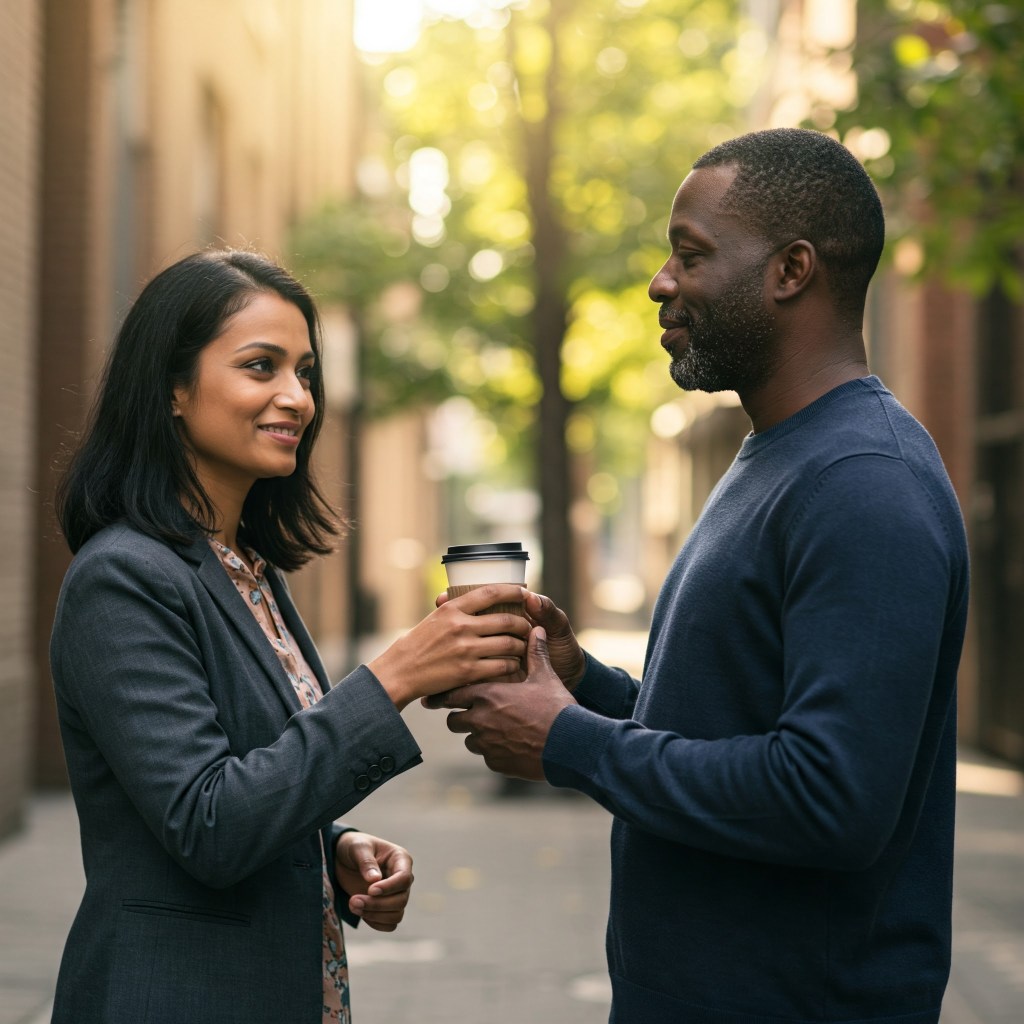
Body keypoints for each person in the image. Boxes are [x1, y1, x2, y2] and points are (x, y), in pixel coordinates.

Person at [430, 128, 970, 1023]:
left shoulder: (866, 485)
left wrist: (568, 744)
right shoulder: (780, 456)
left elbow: (829, 797)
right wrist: (583, 687)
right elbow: (735, 725)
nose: (661, 281)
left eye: (692, 254)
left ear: (790, 270)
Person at [49, 249, 529, 1024]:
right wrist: (394, 677)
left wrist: (331, 849)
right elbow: (209, 825)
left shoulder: (248, 573)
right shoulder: (123, 578)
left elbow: (245, 775)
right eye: (260, 366)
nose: (296, 398)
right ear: (172, 388)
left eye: (305, 372)